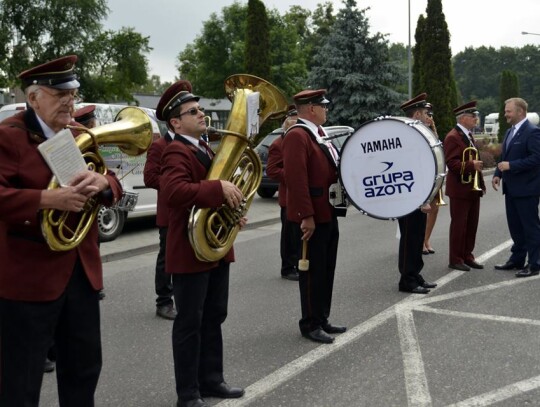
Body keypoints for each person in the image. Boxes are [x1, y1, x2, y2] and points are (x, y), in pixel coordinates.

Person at [0, 55, 123, 406]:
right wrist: (47, 199)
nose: (70, 101)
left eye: (73, 92)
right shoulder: (9, 137)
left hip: (80, 275)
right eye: (59, 94)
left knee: (84, 371)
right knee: (20, 380)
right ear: (33, 97)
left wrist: (105, 182)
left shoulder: (80, 135)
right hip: (29, 279)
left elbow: (110, 180)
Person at [159, 85, 245, 407]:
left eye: (200, 109)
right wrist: (217, 188)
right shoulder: (175, 151)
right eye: (192, 111)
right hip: (190, 250)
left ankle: (212, 380)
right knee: (189, 323)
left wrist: (233, 211)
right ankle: (188, 393)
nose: (201, 114)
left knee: (214, 315)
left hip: (214, 248)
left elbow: (213, 194)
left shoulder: (205, 148)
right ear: (176, 123)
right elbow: (174, 192)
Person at [282, 89, 346, 344]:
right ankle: (309, 323)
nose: (326, 109)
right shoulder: (298, 135)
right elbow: (296, 180)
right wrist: (305, 216)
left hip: (328, 210)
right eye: (323, 106)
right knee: (312, 272)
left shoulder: (319, 134)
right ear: (311, 109)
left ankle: (322, 317)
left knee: (326, 269)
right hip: (314, 216)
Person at [144, 80, 193, 320]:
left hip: (192, 211)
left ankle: (185, 296)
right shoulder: (160, 145)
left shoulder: (196, 142)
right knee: (167, 256)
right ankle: (163, 300)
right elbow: (150, 176)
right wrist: (176, 184)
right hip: (170, 210)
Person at [492, 97, 540, 277]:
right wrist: (498, 174)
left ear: (520, 112)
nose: (505, 114)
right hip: (511, 189)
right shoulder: (509, 132)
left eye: (508, 111)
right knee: (515, 227)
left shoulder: (533, 132)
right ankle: (517, 259)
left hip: (527, 189)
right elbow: (505, 155)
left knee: (530, 227)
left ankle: (535, 263)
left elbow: (536, 159)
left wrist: (511, 166)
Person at [397, 93, 437, 294]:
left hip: (419, 196)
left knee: (417, 235)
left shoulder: (418, 135)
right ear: (416, 115)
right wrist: (421, 199)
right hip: (409, 197)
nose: (427, 116)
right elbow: (412, 171)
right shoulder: (406, 138)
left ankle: (415, 273)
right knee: (410, 238)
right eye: (424, 113)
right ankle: (407, 279)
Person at [443, 101, 485, 271]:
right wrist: (470, 165)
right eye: (473, 116)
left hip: (472, 189)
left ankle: (467, 255)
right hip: (460, 189)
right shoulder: (453, 136)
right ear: (463, 118)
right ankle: (455, 258)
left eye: (476, 116)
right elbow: (451, 163)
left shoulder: (468, 135)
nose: (476, 119)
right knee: (459, 226)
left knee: (471, 225)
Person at [266, 104, 299, 281]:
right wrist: (293, 175)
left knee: (300, 235)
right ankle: (287, 268)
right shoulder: (278, 144)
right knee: (289, 236)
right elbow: (272, 171)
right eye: (292, 122)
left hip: (302, 196)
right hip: (288, 198)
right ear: (285, 125)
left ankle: (299, 264)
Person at [423, 103, 443, 255]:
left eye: (430, 115)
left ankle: (426, 239)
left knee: (434, 208)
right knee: (423, 210)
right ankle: (420, 241)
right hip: (422, 176)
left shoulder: (431, 131)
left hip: (434, 176)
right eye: (426, 114)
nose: (429, 117)